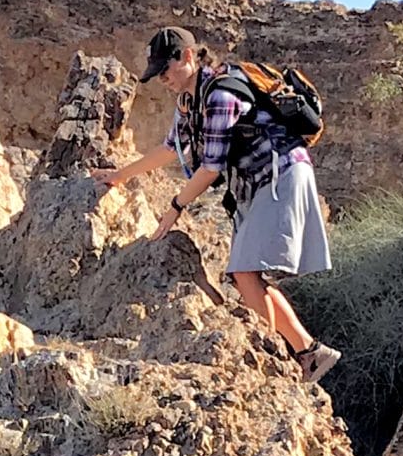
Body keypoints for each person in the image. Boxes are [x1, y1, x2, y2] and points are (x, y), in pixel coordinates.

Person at [92, 26, 342, 383]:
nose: (162, 78)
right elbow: (169, 149)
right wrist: (120, 175)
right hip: (258, 184)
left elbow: (210, 168)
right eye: (157, 72)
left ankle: (287, 355)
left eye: (166, 68)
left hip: (282, 174)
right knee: (245, 277)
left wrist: (175, 206)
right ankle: (309, 352)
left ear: (189, 56)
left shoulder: (221, 95)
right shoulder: (188, 101)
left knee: (244, 273)